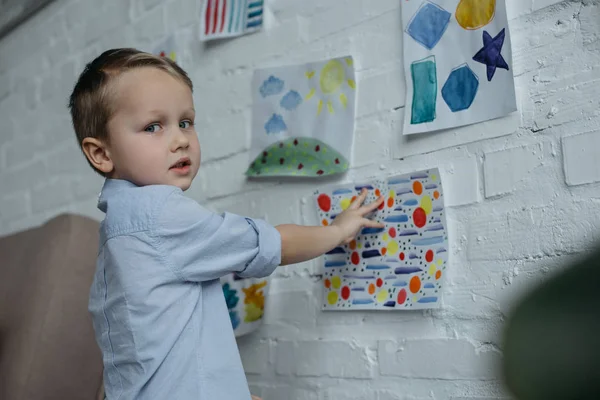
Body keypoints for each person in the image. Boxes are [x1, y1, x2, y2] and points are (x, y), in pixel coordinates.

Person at [69, 48, 384, 400]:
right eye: (153, 127)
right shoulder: (161, 216)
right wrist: (338, 231)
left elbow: (142, 353)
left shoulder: (116, 234)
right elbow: (271, 244)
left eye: (185, 122)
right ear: (101, 153)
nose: (180, 139)